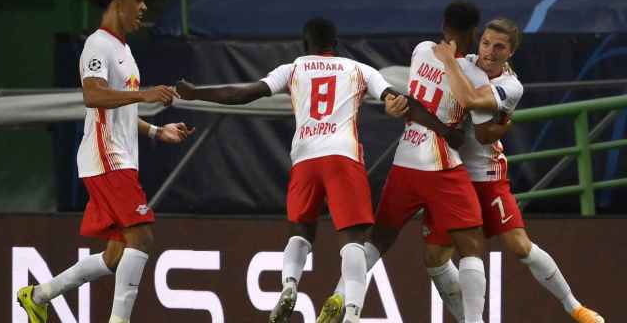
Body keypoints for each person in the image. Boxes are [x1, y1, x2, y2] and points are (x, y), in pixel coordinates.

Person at [176, 17, 462, 323]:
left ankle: (288, 285)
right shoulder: (358, 69)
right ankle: (352, 312)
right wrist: (429, 122)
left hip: (305, 158)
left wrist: (196, 93)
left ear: (305, 44)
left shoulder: (294, 67)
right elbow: (397, 98)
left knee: (300, 231)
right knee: (353, 240)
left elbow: (242, 93)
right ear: (335, 44)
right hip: (342, 157)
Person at [16, 0, 194, 323]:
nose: (144, 6)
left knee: (116, 256)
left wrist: (158, 131)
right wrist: (144, 94)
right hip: (106, 158)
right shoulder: (97, 45)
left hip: (121, 158)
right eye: (138, 0)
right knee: (141, 238)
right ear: (118, 3)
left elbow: (122, 110)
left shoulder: (124, 49)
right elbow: (93, 95)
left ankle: (38, 295)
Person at [317, 1, 493, 323]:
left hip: (405, 160)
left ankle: (341, 294)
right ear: (474, 31)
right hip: (441, 165)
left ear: (443, 25)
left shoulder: (421, 50)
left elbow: (413, 102)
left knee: (379, 239)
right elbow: (478, 119)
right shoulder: (472, 73)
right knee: (471, 244)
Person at [422, 18, 605, 323]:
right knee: (435, 260)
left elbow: (478, 122)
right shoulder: (464, 63)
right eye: (485, 43)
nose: (489, 52)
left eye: (499, 47)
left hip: (486, 176)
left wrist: (450, 66)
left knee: (519, 245)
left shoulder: (510, 85)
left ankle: (575, 307)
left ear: (511, 52)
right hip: (450, 175)